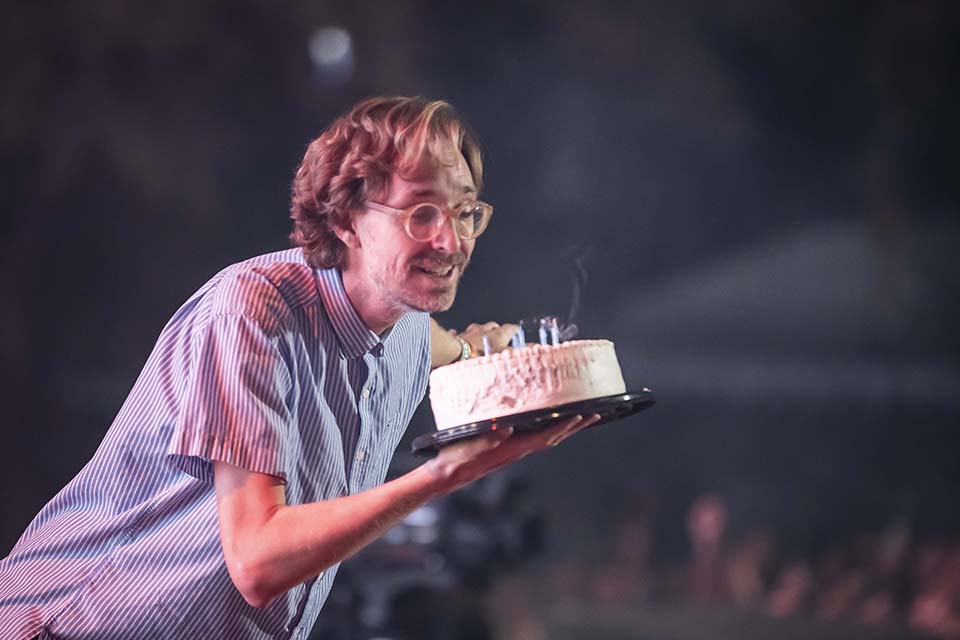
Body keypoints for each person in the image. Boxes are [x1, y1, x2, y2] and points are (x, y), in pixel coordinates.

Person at [0, 96, 598, 639]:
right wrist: (446, 473)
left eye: (464, 212)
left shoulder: (409, 328)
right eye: (421, 213)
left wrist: (492, 352)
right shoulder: (251, 312)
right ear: (345, 220)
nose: (452, 241)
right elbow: (257, 563)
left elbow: (453, 345)